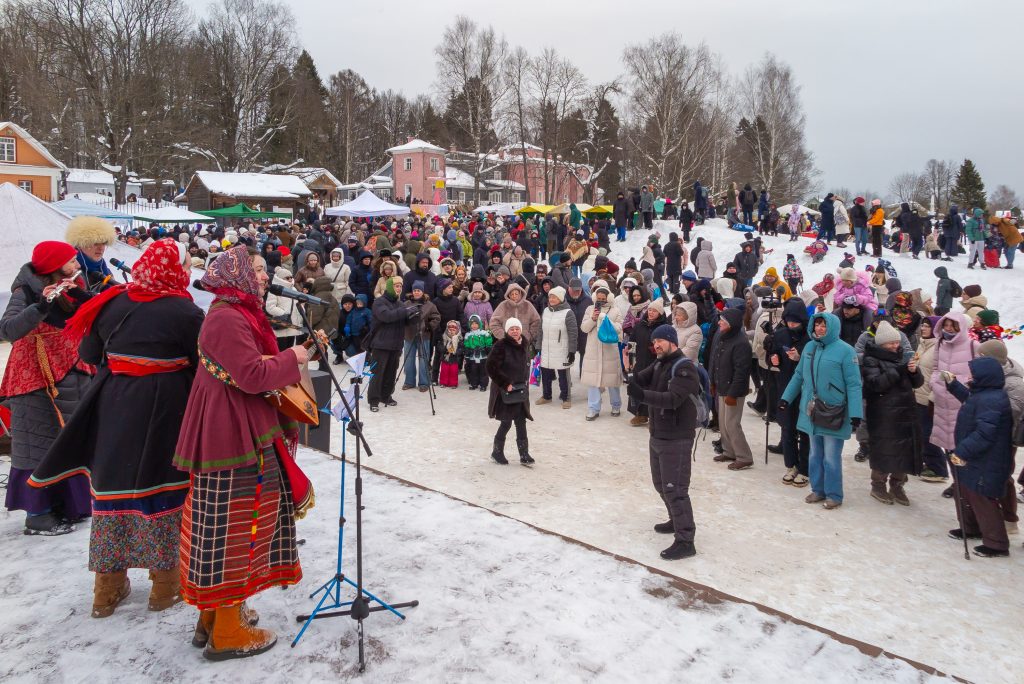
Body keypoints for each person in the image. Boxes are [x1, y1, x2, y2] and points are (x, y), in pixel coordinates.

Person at [30, 239, 203, 618]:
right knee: (164, 488)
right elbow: (201, 362)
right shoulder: (185, 311)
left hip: (115, 404)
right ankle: (165, 585)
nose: (189, 270)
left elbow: (90, 354)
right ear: (173, 270)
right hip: (167, 408)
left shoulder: (111, 301)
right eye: (186, 264)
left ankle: (106, 591)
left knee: (112, 489)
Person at [173, 245, 312, 660]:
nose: (265, 276)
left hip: (233, 426)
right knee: (238, 525)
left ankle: (216, 616)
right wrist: (293, 357)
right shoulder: (228, 318)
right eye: (258, 270)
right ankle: (228, 631)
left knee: (226, 523)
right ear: (237, 276)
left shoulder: (234, 313)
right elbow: (251, 375)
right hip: (233, 434)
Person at [1, 241, 93, 536]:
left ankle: (70, 505)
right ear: (55, 265)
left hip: (69, 370)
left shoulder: (74, 284)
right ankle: (38, 514)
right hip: (35, 377)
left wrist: (87, 297)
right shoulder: (25, 290)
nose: (77, 264)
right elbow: (8, 329)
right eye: (71, 260)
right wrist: (41, 306)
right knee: (38, 444)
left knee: (68, 443)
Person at [627, 324, 701, 560]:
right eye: (654, 342)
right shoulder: (660, 363)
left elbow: (673, 399)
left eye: (660, 341)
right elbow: (640, 378)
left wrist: (641, 395)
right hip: (658, 434)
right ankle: (674, 520)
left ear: (672, 341)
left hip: (677, 438)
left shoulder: (684, 367)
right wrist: (629, 372)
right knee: (661, 485)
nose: (656, 345)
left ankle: (686, 540)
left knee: (675, 490)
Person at [780, 312, 864, 510]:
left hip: (834, 412)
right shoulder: (810, 347)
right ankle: (818, 490)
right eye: (817, 324)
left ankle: (834, 494)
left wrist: (855, 413)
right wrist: (786, 398)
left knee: (831, 457)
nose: (820, 328)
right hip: (811, 410)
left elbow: (854, 384)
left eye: (824, 325)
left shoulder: (846, 351)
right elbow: (799, 375)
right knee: (815, 454)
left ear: (832, 327)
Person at [944, 357, 1014, 557]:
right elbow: (970, 399)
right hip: (976, 456)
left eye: (973, 374)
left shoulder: (992, 400)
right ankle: (971, 528)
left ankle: (997, 544)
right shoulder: (983, 394)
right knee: (967, 490)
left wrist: (961, 451)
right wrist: (953, 384)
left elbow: (985, 433)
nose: (970, 377)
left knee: (982, 497)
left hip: (987, 458)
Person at [860, 321, 924, 506]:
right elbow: (875, 384)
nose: (895, 345)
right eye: (891, 343)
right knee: (885, 450)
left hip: (906, 411)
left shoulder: (901, 357)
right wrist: (899, 370)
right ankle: (878, 485)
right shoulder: (871, 359)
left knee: (904, 450)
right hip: (883, 413)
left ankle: (897, 485)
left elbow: (918, 383)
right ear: (881, 343)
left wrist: (914, 372)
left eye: (897, 342)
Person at [769, 299, 811, 486]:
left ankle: (805, 468)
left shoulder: (810, 337)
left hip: (806, 388)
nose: (792, 325)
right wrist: (774, 359)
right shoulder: (781, 334)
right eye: (788, 322)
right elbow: (772, 353)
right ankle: (791, 465)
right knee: (787, 428)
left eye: (795, 322)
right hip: (785, 385)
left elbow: (815, 361)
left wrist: (799, 358)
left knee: (804, 430)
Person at [485, 317, 534, 465]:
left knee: (521, 422)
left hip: (520, 391)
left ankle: (524, 454)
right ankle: (497, 452)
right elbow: (491, 367)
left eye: (517, 328)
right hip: (505, 391)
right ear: (507, 331)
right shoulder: (501, 345)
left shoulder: (524, 344)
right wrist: (505, 383)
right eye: (511, 329)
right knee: (506, 422)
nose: (514, 331)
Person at [579, 280, 624, 420]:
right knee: (593, 382)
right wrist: (593, 319)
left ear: (608, 298)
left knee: (612, 381)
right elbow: (584, 328)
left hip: (610, 350)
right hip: (593, 350)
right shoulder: (589, 310)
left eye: (603, 299)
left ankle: (616, 405)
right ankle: (593, 408)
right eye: (598, 299)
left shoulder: (616, 310)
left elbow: (619, 328)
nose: (601, 301)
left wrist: (606, 320)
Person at [366, 277, 409, 411]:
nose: (399, 289)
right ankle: (373, 400)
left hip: (396, 344)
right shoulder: (379, 302)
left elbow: (405, 321)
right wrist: (405, 311)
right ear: (390, 287)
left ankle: (386, 396)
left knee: (391, 372)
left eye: (400, 286)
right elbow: (387, 316)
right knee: (377, 373)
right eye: (396, 286)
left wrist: (415, 315)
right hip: (381, 344)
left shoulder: (400, 304)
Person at [627, 299, 667, 426]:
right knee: (638, 385)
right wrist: (631, 359)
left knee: (653, 389)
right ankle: (640, 414)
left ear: (660, 313)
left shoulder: (663, 327)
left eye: (654, 311)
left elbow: (668, 345)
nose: (651, 312)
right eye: (650, 309)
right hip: (639, 361)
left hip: (655, 362)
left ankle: (653, 416)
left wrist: (657, 350)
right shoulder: (640, 325)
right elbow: (631, 342)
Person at [537, 286, 577, 409]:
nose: (551, 299)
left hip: (561, 349)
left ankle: (566, 398)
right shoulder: (546, 311)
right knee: (545, 373)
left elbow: (573, 333)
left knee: (563, 375)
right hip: (546, 349)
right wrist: (538, 346)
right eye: (550, 297)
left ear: (560, 298)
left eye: (554, 297)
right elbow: (540, 331)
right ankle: (546, 396)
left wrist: (572, 351)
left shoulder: (568, 313)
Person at [401, 280, 440, 392]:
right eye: (415, 290)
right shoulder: (406, 304)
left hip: (424, 336)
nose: (416, 292)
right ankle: (409, 381)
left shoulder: (430, 305)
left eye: (418, 290)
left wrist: (429, 326)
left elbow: (436, 317)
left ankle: (424, 382)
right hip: (409, 335)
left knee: (423, 359)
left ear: (423, 292)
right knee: (408, 359)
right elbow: (401, 316)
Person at [65, 215, 117, 291]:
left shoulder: (105, 270)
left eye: (104, 243)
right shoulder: (71, 272)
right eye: (95, 243)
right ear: (80, 245)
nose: (101, 248)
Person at [464, 314, 493, 391]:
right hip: (473, 356)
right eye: (472, 324)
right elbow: (466, 344)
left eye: (476, 323)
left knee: (483, 371)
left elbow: (489, 342)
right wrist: (468, 351)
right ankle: (474, 383)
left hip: (482, 355)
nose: (474, 325)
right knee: (473, 371)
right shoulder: (468, 335)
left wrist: (487, 348)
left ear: (479, 324)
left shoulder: (484, 333)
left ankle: (483, 385)